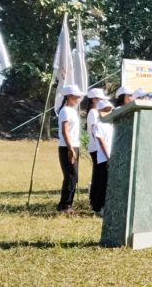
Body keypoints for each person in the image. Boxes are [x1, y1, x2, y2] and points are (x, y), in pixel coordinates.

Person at [56, 85, 84, 213]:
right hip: (67, 146)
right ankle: (65, 206)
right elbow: (65, 131)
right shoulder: (65, 111)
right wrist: (70, 148)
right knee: (71, 176)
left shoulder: (72, 110)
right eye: (76, 96)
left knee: (73, 177)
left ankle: (67, 204)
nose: (78, 99)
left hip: (73, 145)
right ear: (68, 96)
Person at [90, 100, 114, 216]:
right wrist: (108, 157)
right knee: (102, 184)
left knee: (108, 184)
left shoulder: (110, 125)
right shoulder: (98, 125)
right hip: (104, 158)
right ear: (99, 111)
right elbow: (101, 142)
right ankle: (97, 208)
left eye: (109, 110)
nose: (108, 112)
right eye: (105, 110)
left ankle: (104, 205)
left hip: (111, 158)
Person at [85, 88, 108, 207]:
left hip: (97, 148)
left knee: (97, 175)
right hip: (96, 148)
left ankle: (94, 200)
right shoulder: (94, 112)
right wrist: (100, 147)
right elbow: (95, 131)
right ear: (93, 100)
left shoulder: (94, 111)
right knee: (99, 175)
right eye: (99, 99)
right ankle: (96, 202)